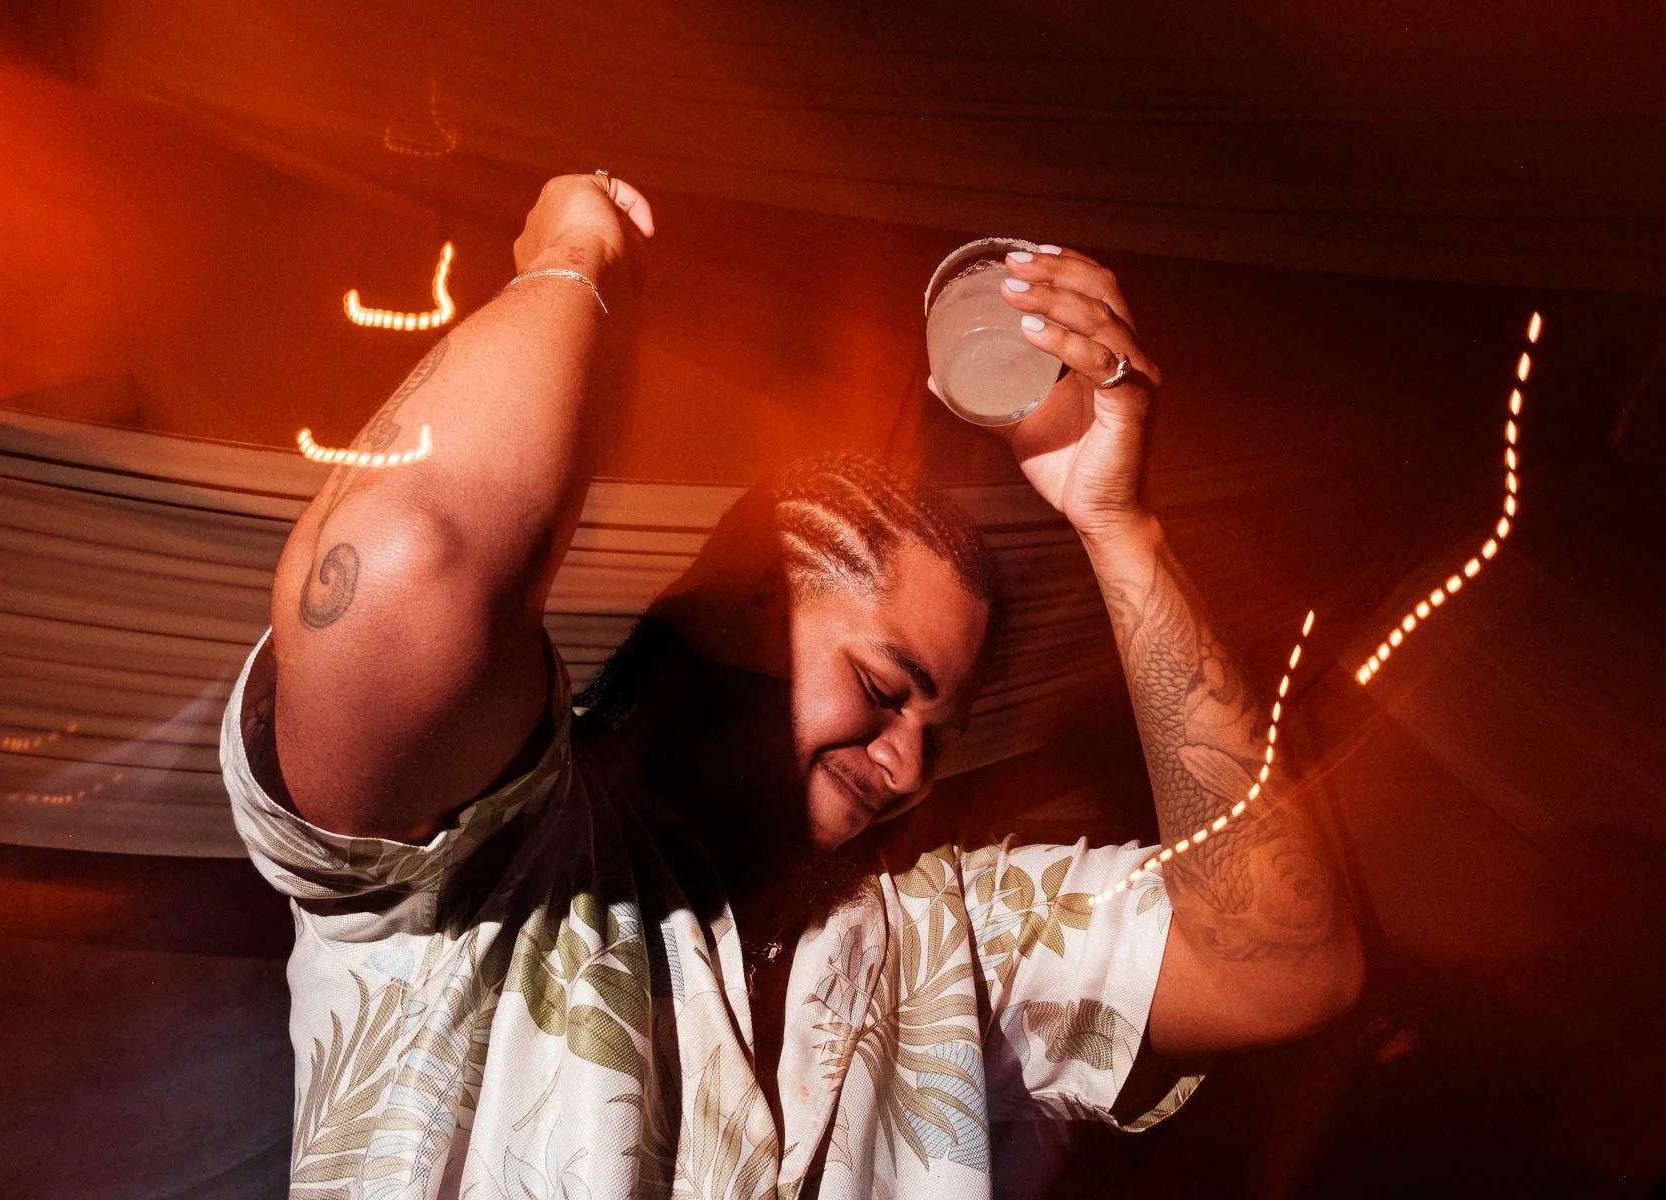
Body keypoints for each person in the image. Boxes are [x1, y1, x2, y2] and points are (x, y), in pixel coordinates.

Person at [220, 173, 1363, 1198]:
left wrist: (1119, 526)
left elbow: (1287, 969)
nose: (911, 765)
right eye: (883, 685)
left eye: (941, 731)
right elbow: (411, 558)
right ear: (742, 613)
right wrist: (575, 259)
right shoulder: (483, 848)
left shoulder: (947, 934)